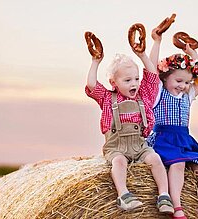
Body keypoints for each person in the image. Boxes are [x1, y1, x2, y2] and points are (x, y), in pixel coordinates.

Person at [85, 37, 174, 214]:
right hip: (116, 147)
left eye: (136, 79)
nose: (134, 83)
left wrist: (142, 55)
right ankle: (123, 195)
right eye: (127, 81)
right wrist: (95, 62)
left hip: (140, 145)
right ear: (113, 83)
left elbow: (153, 77)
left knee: (155, 159)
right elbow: (92, 85)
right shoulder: (107, 98)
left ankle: (164, 195)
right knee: (118, 162)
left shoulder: (144, 96)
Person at [148, 28, 198, 219]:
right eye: (179, 80)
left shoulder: (188, 96)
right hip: (163, 138)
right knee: (177, 164)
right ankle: (177, 207)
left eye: (187, 82)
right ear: (165, 77)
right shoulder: (159, 93)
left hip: (184, 139)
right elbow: (151, 69)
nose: (183, 86)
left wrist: (191, 53)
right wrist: (157, 41)